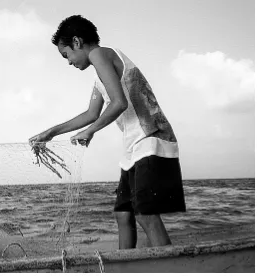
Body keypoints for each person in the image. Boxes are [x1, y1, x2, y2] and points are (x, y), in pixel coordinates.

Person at [29, 15, 186, 249]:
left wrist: (90, 132)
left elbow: (119, 103)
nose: (69, 62)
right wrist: (50, 133)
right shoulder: (99, 74)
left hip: (152, 139)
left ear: (77, 41)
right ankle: (126, 267)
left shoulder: (100, 54)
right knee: (123, 215)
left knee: (144, 214)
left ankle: (171, 267)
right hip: (134, 147)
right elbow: (90, 114)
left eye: (67, 55)